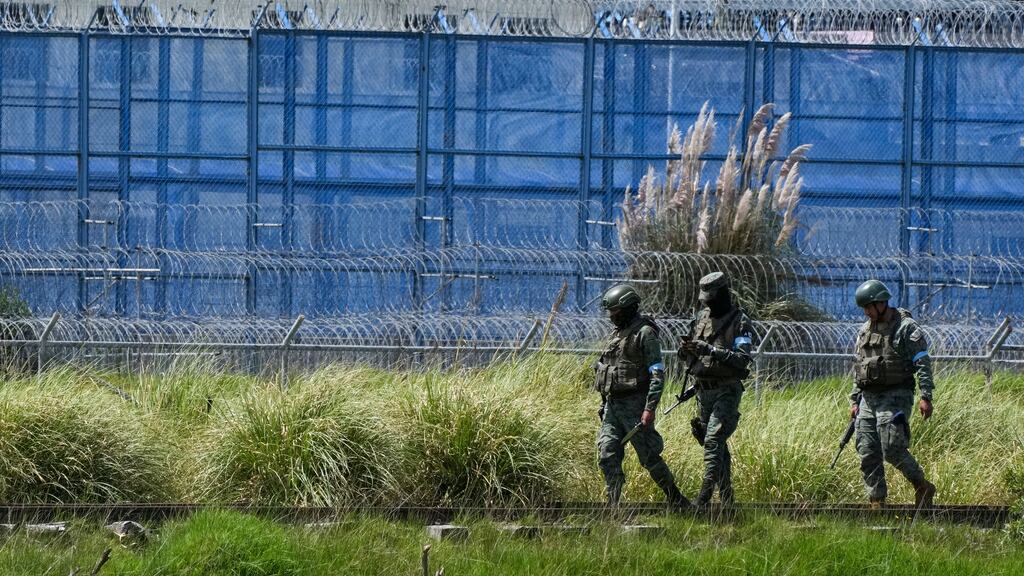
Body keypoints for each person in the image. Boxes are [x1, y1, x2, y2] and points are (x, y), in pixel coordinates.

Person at [594, 284, 689, 509]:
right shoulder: (616, 334)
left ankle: (675, 498)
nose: (611, 317)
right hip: (613, 406)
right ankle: (613, 504)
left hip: (636, 405)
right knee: (607, 452)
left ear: (627, 309)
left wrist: (649, 408)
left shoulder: (645, 334)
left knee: (649, 457)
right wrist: (604, 403)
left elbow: (657, 374)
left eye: (615, 312)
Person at [849, 279, 936, 509]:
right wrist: (855, 399)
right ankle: (877, 502)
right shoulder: (865, 330)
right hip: (868, 398)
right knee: (867, 450)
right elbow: (860, 366)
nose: (867, 312)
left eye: (869, 306)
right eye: (864, 308)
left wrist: (926, 396)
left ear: (882, 303)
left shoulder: (905, 327)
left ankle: (922, 485)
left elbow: (922, 362)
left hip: (896, 396)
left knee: (892, 447)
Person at [678, 271, 753, 508]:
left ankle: (704, 497)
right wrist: (687, 349)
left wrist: (710, 351)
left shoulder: (739, 321)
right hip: (703, 391)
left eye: (711, 298)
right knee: (715, 443)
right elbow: (687, 355)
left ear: (722, 294)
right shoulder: (700, 318)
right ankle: (727, 499)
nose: (708, 304)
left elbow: (742, 360)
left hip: (726, 390)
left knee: (713, 440)